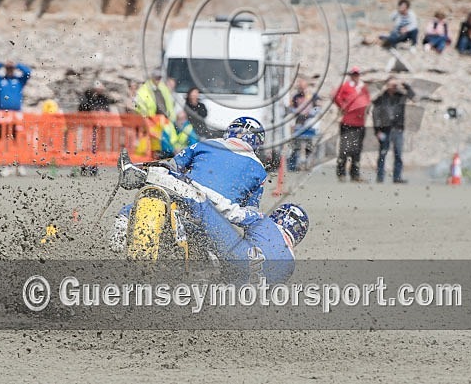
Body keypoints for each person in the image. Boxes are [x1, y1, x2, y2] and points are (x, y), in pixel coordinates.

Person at [116, 153, 307, 284]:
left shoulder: (265, 222)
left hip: (241, 258)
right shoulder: (290, 265)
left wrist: (195, 189)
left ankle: (144, 175)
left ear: (281, 219)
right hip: (242, 292)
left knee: (201, 203)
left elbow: (229, 211)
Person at [111, 117, 269, 251]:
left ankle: (119, 235)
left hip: (189, 193)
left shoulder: (208, 144)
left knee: (159, 180)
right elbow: (251, 210)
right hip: (218, 216)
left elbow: (172, 166)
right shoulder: (260, 170)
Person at [372, 77, 415, 184]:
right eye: (392, 84)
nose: (394, 87)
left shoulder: (400, 96)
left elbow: (413, 97)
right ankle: (380, 177)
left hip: (398, 129)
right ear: (387, 85)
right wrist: (377, 130)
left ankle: (397, 177)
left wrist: (406, 85)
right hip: (385, 129)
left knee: (398, 154)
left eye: (395, 85)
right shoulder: (381, 98)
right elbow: (375, 114)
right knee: (383, 153)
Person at [333, 67, 370, 183]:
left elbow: (367, 100)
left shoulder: (363, 87)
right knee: (345, 148)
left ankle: (355, 174)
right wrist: (342, 106)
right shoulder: (346, 86)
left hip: (359, 122)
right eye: (353, 74)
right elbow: (335, 96)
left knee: (357, 150)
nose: (355, 76)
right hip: (347, 121)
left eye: (357, 74)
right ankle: (341, 173)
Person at [78, 81, 112, 177]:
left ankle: (94, 167)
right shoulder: (87, 97)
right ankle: (84, 167)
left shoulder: (103, 98)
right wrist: (93, 111)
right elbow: (82, 108)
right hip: (86, 127)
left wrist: (101, 112)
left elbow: (107, 109)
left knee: (95, 149)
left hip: (98, 127)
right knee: (85, 148)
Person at [287, 78, 320, 172]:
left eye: (303, 87)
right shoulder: (295, 97)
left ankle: (307, 164)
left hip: (309, 125)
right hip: (299, 125)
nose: (301, 90)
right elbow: (291, 108)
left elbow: (318, 108)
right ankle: (294, 166)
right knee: (296, 146)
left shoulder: (312, 96)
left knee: (309, 147)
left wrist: (310, 113)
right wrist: (297, 112)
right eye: (300, 88)